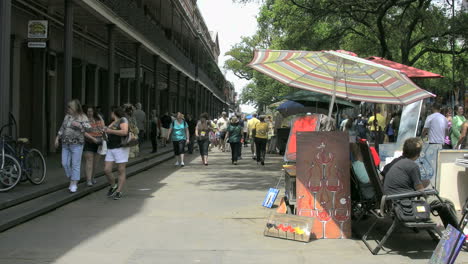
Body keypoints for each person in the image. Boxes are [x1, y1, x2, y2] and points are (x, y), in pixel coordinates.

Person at [383, 137, 459, 229]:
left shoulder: (398, 162)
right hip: (404, 204)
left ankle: (452, 230)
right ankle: (456, 233)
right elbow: (420, 191)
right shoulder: (412, 166)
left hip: (393, 200)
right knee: (446, 203)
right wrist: (431, 192)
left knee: (440, 202)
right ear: (418, 154)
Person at [55, 99, 90, 193]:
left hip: (77, 144)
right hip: (65, 143)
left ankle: (74, 183)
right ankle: (72, 176)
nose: (68, 109)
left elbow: (88, 129)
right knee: (64, 163)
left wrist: (79, 125)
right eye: (68, 107)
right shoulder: (67, 116)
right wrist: (57, 138)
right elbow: (62, 127)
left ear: (75, 108)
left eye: (70, 107)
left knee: (75, 164)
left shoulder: (83, 117)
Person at [103, 106, 130, 200]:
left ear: (114, 112)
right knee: (107, 170)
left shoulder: (123, 120)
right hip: (110, 148)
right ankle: (113, 185)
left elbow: (124, 132)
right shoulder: (113, 122)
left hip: (120, 148)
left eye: (111, 112)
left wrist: (110, 131)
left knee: (121, 170)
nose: (110, 114)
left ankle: (119, 191)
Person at [83, 106, 105, 186]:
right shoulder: (84, 120)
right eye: (88, 111)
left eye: (91, 111)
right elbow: (83, 131)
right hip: (88, 142)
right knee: (89, 161)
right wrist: (92, 138)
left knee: (95, 163)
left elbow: (103, 128)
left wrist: (100, 118)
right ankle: (88, 180)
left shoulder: (98, 119)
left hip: (99, 142)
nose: (90, 113)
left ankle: (92, 177)